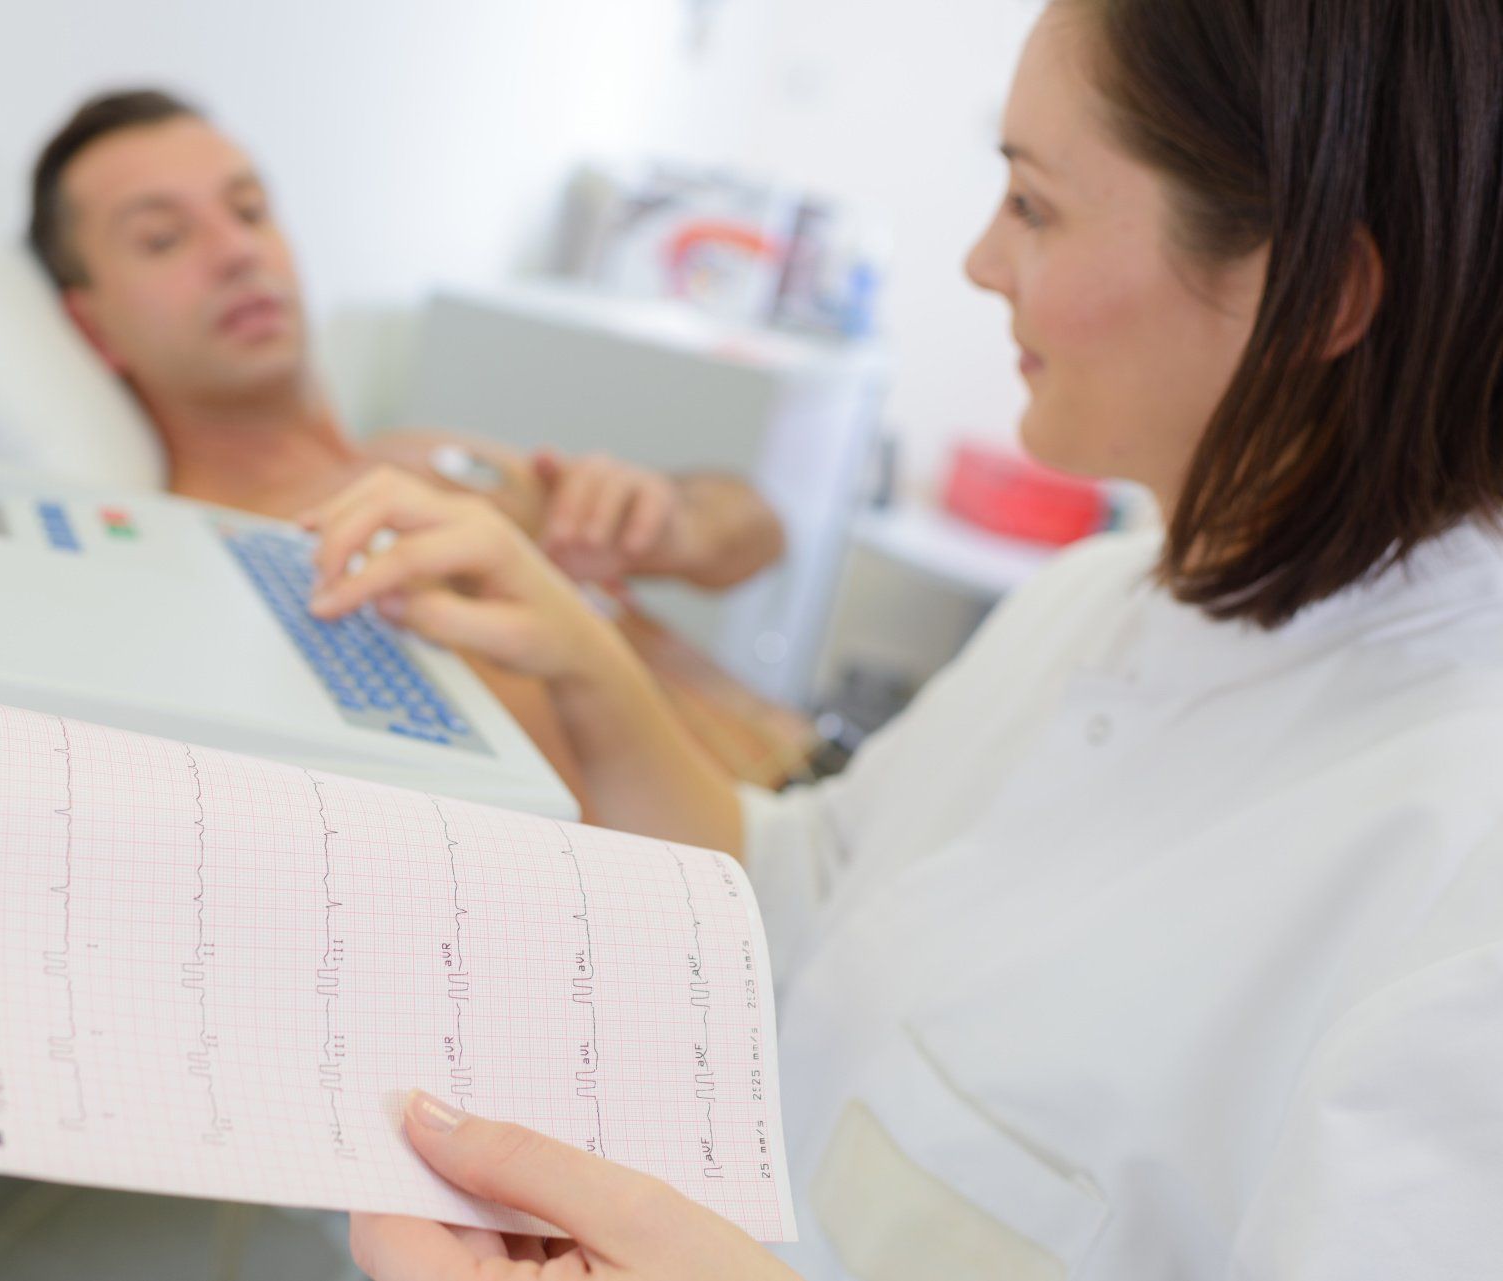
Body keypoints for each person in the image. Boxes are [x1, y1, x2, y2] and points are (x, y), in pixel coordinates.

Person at [307, 0, 1503, 1275]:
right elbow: (806, 899)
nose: (982, 263)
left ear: (1310, 292)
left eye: (1035, 206)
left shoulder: (1455, 873)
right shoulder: (1091, 595)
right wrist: (585, 660)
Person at [26, 92, 810, 790]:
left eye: (250, 210)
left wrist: (670, 519)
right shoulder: (250, 565)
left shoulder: (418, 458)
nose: (235, 252)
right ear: (92, 324)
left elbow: (763, 535)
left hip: (830, 794)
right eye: (163, 239)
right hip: (746, 887)